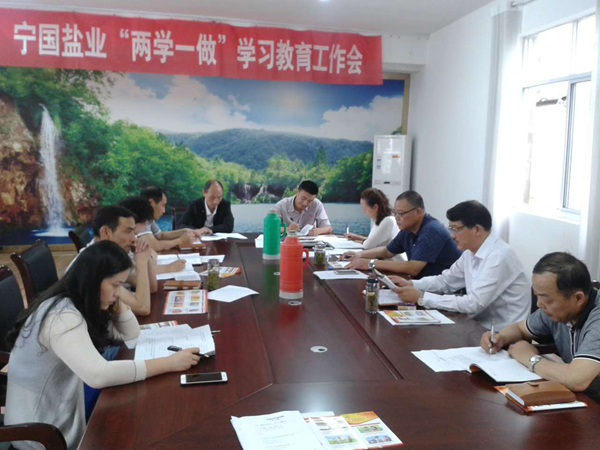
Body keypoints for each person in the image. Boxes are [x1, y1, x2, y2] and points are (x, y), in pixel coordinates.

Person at [4, 241, 200, 450]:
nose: (119, 292)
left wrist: (117, 299)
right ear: (93, 281)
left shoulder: (79, 302)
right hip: (39, 433)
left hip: (61, 410)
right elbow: (99, 375)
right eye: (115, 285)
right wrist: (170, 363)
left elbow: (131, 334)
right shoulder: (62, 317)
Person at [392, 200, 530, 330]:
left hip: (503, 334)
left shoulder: (499, 256)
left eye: (456, 229)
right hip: (477, 325)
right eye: (450, 229)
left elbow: (474, 303)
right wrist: (411, 284)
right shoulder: (470, 253)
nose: (452, 235)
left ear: (477, 229)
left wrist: (422, 298)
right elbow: (445, 281)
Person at [481, 252, 600, 395]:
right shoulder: (557, 310)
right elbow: (520, 328)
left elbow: (576, 379)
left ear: (578, 298)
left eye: (546, 299)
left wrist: (530, 358)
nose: (538, 304)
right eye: (536, 295)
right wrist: (500, 338)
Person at [343, 190, 461, 278]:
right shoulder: (408, 229)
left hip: (446, 291)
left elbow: (413, 268)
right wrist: (359, 255)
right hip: (424, 284)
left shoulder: (431, 230)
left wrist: (370, 263)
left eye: (400, 213)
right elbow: (387, 251)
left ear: (418, 212)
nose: (397, 218)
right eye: (395, 213)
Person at [69, 204, 157, 315]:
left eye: (133, 232)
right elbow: (142, 308)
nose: (133, 239)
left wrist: (145, 255)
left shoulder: (111, 255)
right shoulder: (94, 263)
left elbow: (151, 287)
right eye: (128, 231)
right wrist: (142, 262)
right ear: (105, 232)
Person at [119, 196, 187, 277]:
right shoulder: (120, 244)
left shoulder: (133, 237)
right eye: (162, 205)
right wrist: (168, 268)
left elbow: (153, 253)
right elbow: (133, 271)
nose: (133, 238)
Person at [139, 186, 199, 251]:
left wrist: (185, 231)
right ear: (151, 203)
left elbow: (160, 236)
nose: (164, 211)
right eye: (163, 205)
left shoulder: (148, 217)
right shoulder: (139, 217)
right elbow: (154, 246)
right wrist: (181, 240)